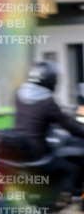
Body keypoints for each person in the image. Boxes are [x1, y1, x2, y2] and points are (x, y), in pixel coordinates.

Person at [13, 60, 84, 196]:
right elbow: (68, 124)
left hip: (22, 147)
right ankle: (65, 199)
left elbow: (34, 117)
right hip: (37, 152)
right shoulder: (47, 102)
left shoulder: (19, 94)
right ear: (51, 80)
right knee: (70, 167)